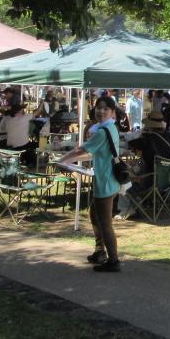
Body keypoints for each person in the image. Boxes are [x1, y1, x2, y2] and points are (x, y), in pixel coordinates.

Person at [59, 96, 122, 271]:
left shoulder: (102, 131)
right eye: (98, 108)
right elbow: (91, 154)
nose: (101, 111)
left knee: (104, 222)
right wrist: (69, 162)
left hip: (105, 181)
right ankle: (99, 251)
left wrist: (63, 160)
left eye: (105, 109)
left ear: (112, 112)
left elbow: (82, 149)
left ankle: (113, 260)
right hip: (109, 180)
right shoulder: (109, 128)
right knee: (94, 215)